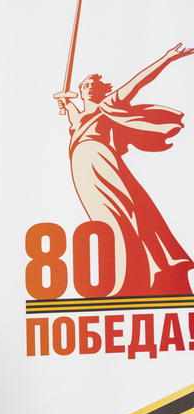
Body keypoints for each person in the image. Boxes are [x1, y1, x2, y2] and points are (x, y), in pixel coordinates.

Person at [57, 43, 194, 296]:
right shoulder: (78, 118)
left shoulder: (109, 104)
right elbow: (73, 115)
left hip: (100, 160)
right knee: (102, 217)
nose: (89, 87)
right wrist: (64, 101)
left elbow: (138, 81)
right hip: (82, 167)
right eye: (85, 85)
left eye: (93, 85)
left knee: (123, 212)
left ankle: (140, 273)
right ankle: (123, 274)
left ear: (102, 91)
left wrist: (166, 58)